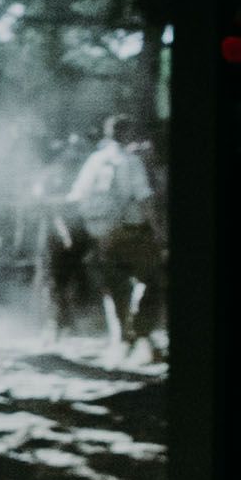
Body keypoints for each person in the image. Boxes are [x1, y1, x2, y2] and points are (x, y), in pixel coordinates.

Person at [67, 114, 161, 355]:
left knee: (115, 287)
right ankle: (141, 334)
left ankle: (121, 338)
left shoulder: (95, 161)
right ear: (127, 134)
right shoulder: (130, 161)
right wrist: (158, 231)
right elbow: (144, 198)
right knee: (152, 279)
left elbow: (76, 197)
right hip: (130, 232)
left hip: (101, 234)